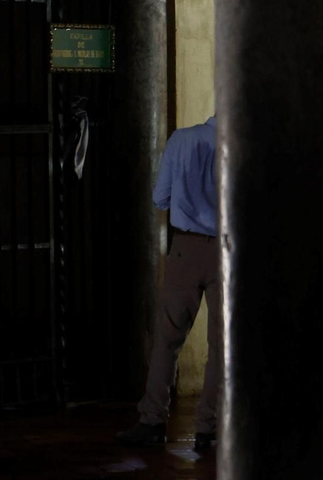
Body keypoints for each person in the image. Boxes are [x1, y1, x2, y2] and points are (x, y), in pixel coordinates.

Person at [116, 115, 221, 452]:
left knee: (168, 339)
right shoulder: (248, 145)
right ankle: (209, 429)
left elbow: (160, 198)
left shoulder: (182, 139)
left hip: (185, 250)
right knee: (221, 346)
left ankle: (152, 420)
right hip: (229, 252)